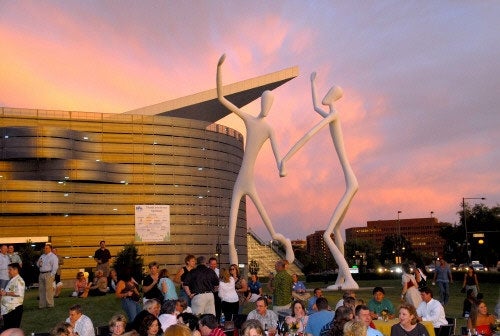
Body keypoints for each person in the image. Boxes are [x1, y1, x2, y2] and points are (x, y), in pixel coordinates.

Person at [280, 71, 359, 289]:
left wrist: (286, 158)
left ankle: (349, 279)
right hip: (351, 181)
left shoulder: (334, 115)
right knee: (337, 232)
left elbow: (308, 135)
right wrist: (312, 83)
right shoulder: (331, 114)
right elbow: (316, 106)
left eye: (328, 93)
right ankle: (341, 279)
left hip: (350, 183)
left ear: (333, 97)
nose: (325, 96)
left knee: (326, 234)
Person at [217, 53, 294, 265]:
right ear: (260, 102)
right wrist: (220, 68)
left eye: (270, 103)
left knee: (271, 230)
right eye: (264, 102)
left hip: (250, 181)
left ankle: (285, 243)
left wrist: (282, 166)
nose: (266, 106)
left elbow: (278, 156)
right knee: (231, 235)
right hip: (240, 180)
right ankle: (233, 272)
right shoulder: (249, 120)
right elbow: (222, 98)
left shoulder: (269, 129)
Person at [0, 263, 25, 329]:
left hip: (14, 309)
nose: (8, 271)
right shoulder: (13, 280)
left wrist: (6, 293)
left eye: (10, 269)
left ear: (16, 270)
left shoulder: (19, 280)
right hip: (9, 310)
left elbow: (18, 293)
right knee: (8, 329)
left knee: (12, 330)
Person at [37, 243, 58, 308]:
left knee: (49, 290)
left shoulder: (53, 256)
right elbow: (37, 264)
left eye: (46, 248)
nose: (45, 249)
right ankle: (42, 305)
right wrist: (39, 264)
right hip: (41, 274)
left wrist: (52, 275)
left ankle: (50, 304)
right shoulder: (42, 256)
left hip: (49, 274)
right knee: (41, 290)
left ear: (50, 249)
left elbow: (55, 267)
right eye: (45, 248)